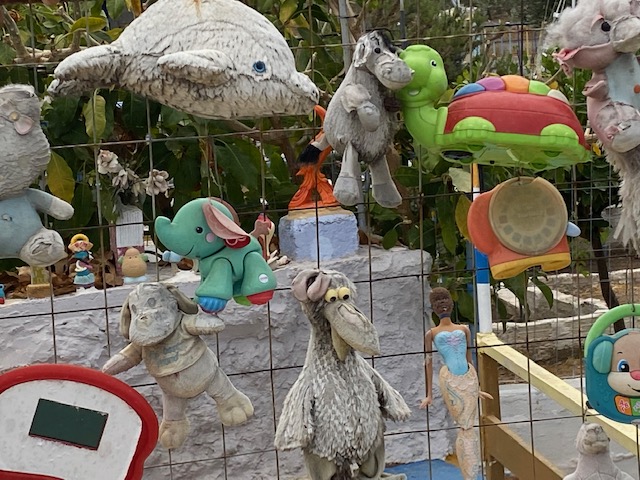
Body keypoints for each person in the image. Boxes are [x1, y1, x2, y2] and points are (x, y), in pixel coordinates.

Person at [420, 287, 492, 480]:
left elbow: (469, 359)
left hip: (469, 379)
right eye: (438, 303)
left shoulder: (464, 330)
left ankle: (473, 473)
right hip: (450, 380)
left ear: (451, 304)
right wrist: (429, 395)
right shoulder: (431, 333)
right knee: (463, 426)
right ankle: (468, 473)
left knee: (471, 426)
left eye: (445, 301)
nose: (443, 306)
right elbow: (428, 363)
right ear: (434, 308)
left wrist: (477, 387)